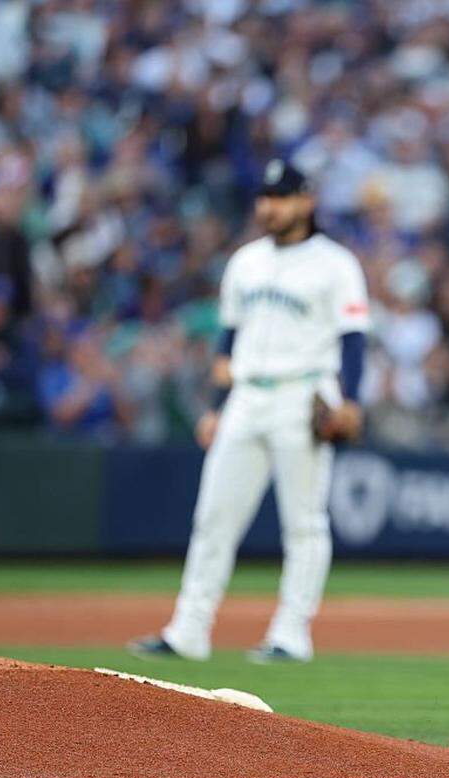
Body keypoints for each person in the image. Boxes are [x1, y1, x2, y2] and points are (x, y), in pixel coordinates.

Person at [128, 159, 369, 664]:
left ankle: (290, 633)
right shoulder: (246, 261)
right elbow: (228, 339)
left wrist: (351, 400)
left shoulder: (336, 263)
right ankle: (188, 630)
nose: (269, 206)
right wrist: (216, 407)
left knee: (303, 523)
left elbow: (352, 340)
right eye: (264, 197)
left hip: (304, 395)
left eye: (280, 197)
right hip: (245, 396)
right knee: (213, 517)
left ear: (306, 201)